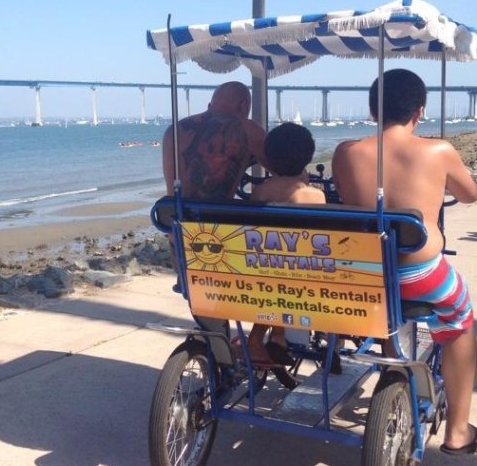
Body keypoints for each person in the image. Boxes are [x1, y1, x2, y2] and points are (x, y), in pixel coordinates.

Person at [331, 68, 477, 456]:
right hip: (422, 275)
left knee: (383, 301)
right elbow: (468, 195)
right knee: (462, 323)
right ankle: (459, 431)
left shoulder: (345, 152)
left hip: (363, 274)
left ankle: (392, 359)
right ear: (419, 111)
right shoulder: (439, 150)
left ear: (372, 109)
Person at [162, 81, 266, 365]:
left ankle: (221, 358)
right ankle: (252, 345)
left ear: (212, 102)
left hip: (179, 230)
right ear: (243, 107)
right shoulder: (247, 129)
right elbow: (285, 168)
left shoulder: (174, 131)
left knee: (204, 300)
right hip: (220, 235)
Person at [244, 122, 326, 366]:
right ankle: (328, 337)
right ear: (307, 157)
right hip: (302, 277)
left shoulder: (260, 192)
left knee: (276, 279)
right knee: (293, 276)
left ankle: (269, 335)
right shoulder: (313, 195)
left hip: (265, 271)